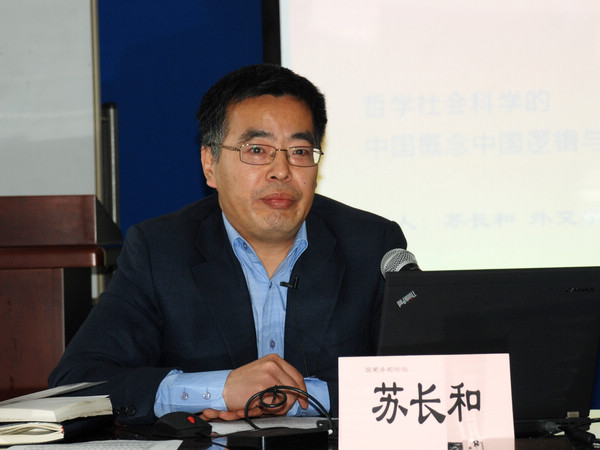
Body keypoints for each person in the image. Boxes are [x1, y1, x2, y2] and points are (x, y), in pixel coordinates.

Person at [49, 63, 407, 425]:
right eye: (257, 149)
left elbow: (424, 377)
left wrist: (298, 397)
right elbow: (77, 383)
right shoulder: (160, 251)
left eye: (299, 151)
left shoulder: (371, 246)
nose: (281, 171)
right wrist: (217, 389)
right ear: (210, 164)